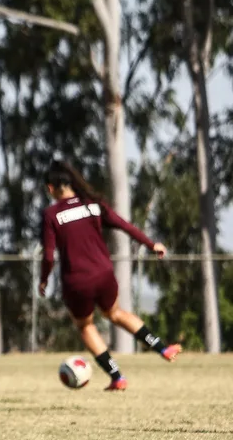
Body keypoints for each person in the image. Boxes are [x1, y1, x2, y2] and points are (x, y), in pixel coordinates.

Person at [39, 160, 181, 390]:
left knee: (86, 326)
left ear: (50, 188)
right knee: (115, 313)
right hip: (104, 274)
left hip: (77, 281)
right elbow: (124, 225)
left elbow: (48, 255)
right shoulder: (92, 204)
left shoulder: (51, 214)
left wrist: (44, 278)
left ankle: (117, 376)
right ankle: (162, 348)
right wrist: (151, 244)